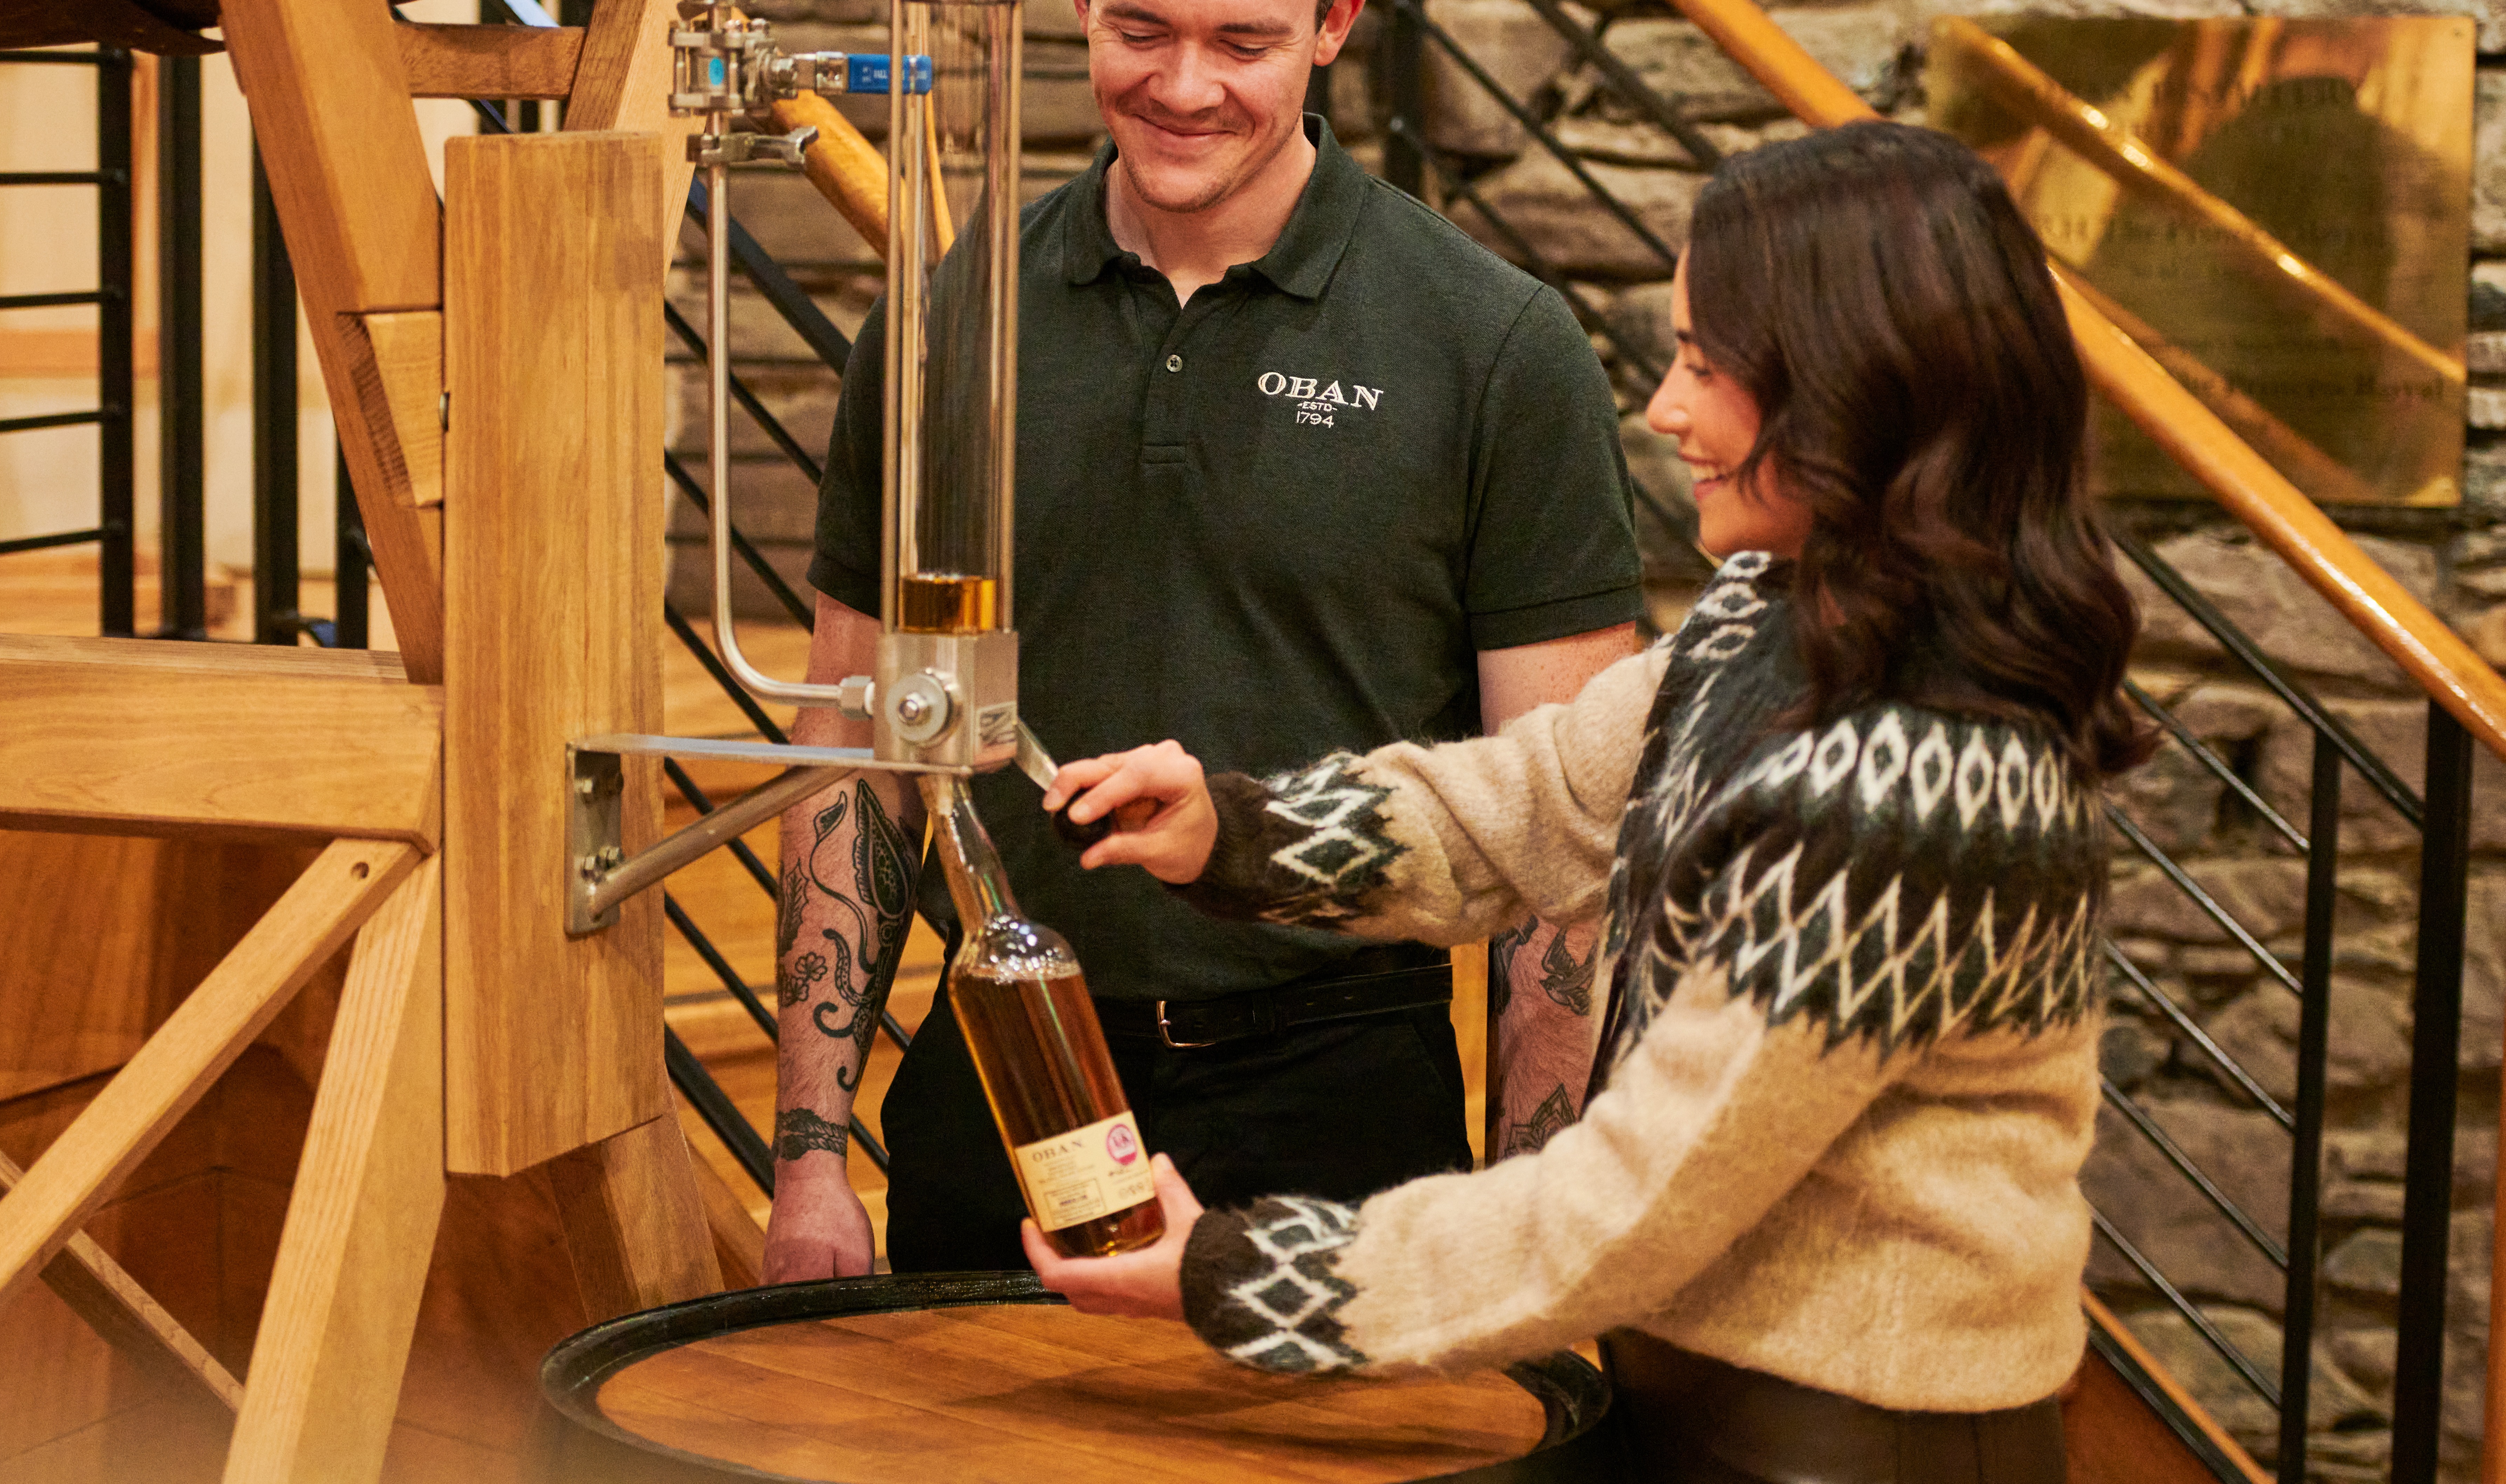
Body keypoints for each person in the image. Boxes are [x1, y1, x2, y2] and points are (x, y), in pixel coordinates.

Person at [1028, 121, 2157, 1484]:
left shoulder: (1917, 773)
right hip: (1701, 1397)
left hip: (1848, 1448)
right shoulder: (1772, 618)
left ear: (1851, 384)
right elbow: (1537, 801)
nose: (1666, 409)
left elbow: (1632, 1202)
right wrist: (1237, 828)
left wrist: (1242, 1273)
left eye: (1706, 362)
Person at [762, 0, 1647, 1281]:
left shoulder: (1498, 345)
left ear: (1335, 23)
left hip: (1338, 1105)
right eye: (1142, 29)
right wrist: (807, 1159)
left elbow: (1563, 836)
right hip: (1006, 1080)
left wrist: (1528, 1252)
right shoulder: (948, 315)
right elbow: (855, 735)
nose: (1184, 86)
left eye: (1242, 41)